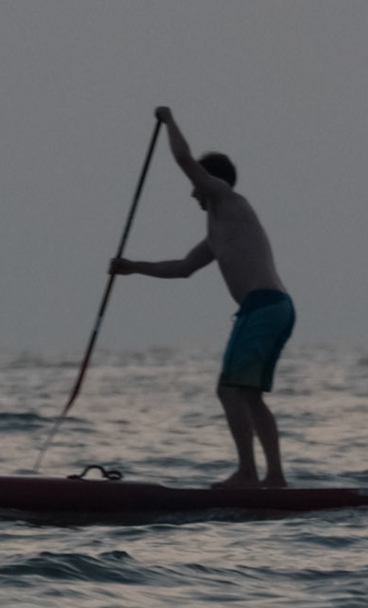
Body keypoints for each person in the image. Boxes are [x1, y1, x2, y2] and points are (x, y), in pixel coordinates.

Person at [111, 106, 296, 488]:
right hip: (261, 310)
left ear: (210, 180)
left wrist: (168, 120)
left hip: (265, 307)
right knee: (244, 393)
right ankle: (269, 476)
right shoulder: (217, 230)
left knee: (233, 390)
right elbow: (182, 267)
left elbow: (181, 159)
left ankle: (255, 474)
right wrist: (132, 267)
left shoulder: (227, 199)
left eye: (197, 181)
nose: (191, 190)